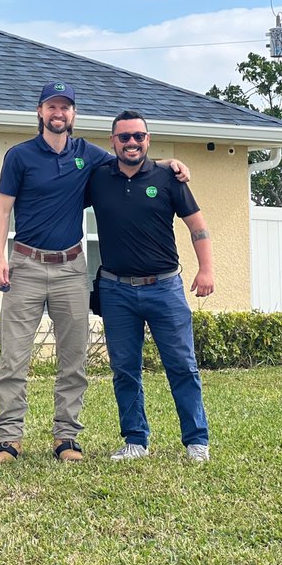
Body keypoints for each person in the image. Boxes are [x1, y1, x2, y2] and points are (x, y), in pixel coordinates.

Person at [0, 83, 188, 464]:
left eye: (65, 107)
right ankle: (9, 439)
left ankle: (66, 437)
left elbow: (130, 161)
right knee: (13, 358)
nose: (58, 113)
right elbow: (2, 210)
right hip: (26, 266)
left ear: (73, 114)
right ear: (40, 112)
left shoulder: (88, 155)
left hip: (71, 268)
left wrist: (169, 164)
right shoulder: (19, 156)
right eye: (51, 106)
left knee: (73, 359)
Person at [86, 109, 214, 463]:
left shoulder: (169, 177)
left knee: (182, 366)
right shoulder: (98, 178)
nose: (132, 142)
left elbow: (198, 226)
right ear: (113, 141)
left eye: (138, 136)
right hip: (115, 290)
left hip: (165, 288)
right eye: (124, 137)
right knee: (124, 370)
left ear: (148, 140)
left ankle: (196, 441)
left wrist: (206, 270)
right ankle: (135, 441)